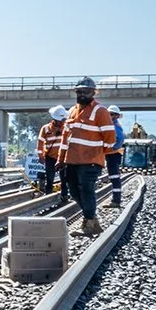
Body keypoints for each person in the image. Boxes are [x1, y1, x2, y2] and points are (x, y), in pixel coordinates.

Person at [56, 78, 114, 236]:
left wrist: (99, 154)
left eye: (86, 92)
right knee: (74, 191)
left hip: (91, 161)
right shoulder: (73, 111)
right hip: (72, 160)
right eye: (79, 91)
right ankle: (93, 220)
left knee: (86, 190)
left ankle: (88, 224)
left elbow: (110, 138)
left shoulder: (100, 111)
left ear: (93, 93)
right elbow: (65, 139)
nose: (82, 94)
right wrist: (61, 159)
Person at [37, 107, 67, 195]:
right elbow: (40, 142)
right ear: (54, 119)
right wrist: (40, 156)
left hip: (63, 158)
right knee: (50, 178)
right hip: (50, 157)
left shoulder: (66, 128)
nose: (61, 122)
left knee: (64, 178)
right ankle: (48, 195)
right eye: (59, 120)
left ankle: (64, 195)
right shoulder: (45, 128)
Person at [105, 105, 126, 208]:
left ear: (117, 116)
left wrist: (113, 148)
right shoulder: (111, 125)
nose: (110, 116)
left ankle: (116, 200)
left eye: (112, 114)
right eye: (108, 114)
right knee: (113, 177)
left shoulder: (114, 126)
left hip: (113, 155)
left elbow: (121, 138)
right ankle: (115, 199)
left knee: (114, 177)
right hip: (111, 154)